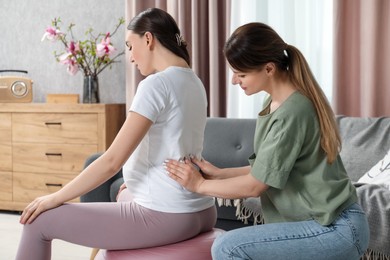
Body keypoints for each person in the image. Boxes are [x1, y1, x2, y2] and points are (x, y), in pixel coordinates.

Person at [16, 8, 216, 260]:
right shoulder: (194, 82)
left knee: (37, 221)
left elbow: (112, 161)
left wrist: (55, 197)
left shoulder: (156, 85)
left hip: (165, 215)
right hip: (202, 210)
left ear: (148, 39)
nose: (130, 57)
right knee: (123, 190)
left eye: (130, 47)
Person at [165, 22, 370, 260]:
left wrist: (199, 185)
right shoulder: (273, 104)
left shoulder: (293, 112)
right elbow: (267, 169)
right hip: (325, 224)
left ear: (269, 69)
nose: (234, 81)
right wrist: (220, 173)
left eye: (241, 74)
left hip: (336, 228)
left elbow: (256, 186)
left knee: (227, 247)